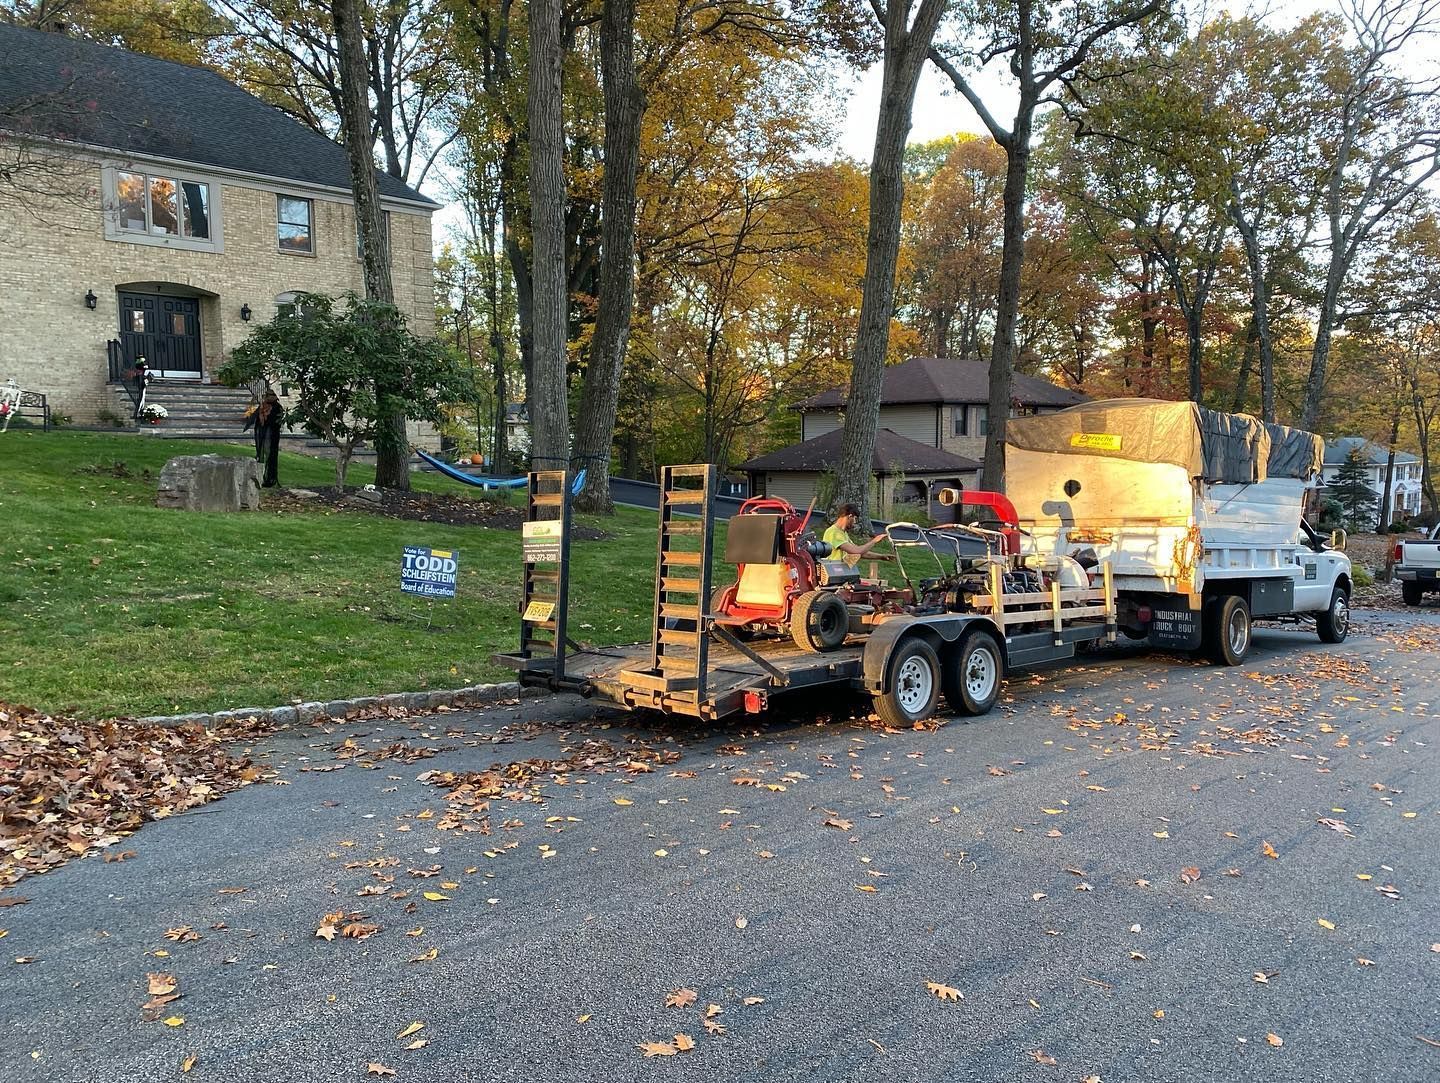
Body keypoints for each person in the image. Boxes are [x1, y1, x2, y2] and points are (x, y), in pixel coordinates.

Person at [822, 502, 888, 565]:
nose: (855, 522)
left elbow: (860, 552)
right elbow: (856, 551)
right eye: (855, 518)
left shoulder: (843, 533)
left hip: (842, 572)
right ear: (850, 516)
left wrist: (881, 556)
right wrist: (875, 541)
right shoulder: (833, 532)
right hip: (833, 572)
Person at [245, 389, 284, 488]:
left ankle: (270, 478)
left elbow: (276, 422)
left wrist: (266, 420)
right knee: (261, 455)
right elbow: (256, 418)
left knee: (271, 456)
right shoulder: (262, 406)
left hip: (272, 435)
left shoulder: (277, 407)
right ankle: (260, 477)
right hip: (262, 435)